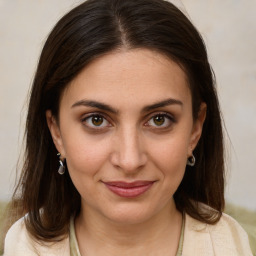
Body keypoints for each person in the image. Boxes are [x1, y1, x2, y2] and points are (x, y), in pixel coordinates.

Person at [2, 0, 253, 255]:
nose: (130, 160)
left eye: (159, 119)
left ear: (195, 129)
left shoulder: (233, 245)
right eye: (96, 120)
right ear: (56, 132)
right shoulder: (19, 246)